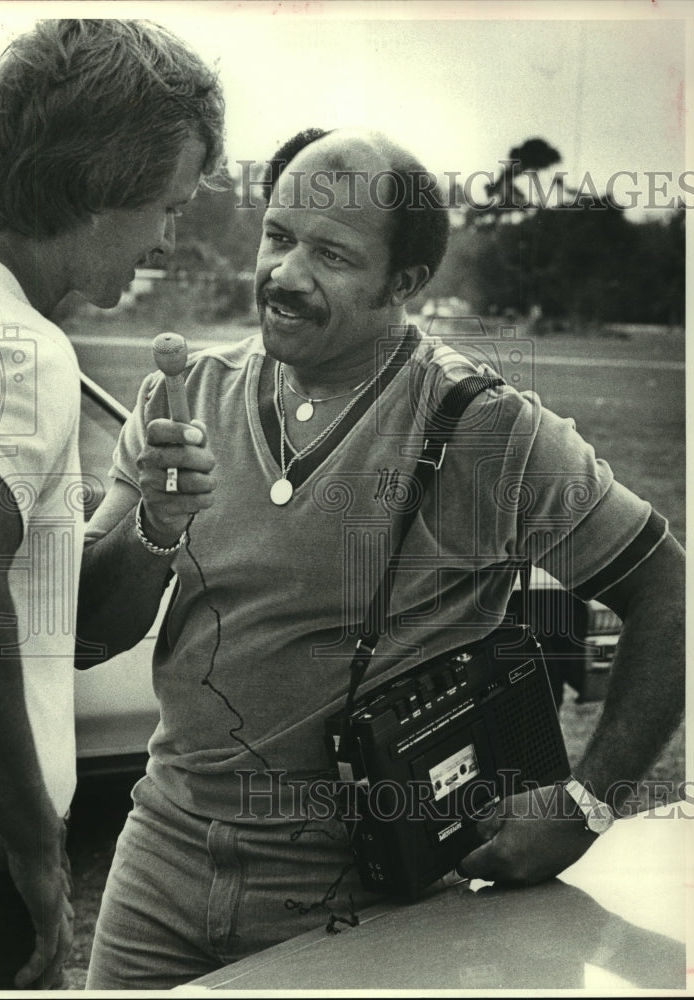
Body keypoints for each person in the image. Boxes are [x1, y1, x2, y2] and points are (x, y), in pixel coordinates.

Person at [77, 127, 685, 990]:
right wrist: (156, 528)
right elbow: (89, 637)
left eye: (329, 254)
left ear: (402, 284)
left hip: (375, 908)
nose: (284, 274)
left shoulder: (484, 427)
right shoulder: (187, 398)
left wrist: (585, 806)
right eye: (278, 236)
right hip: (158, 870)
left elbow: (672, 593)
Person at [0, 18, 224, 990]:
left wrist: (154, 515)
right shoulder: (13, 344)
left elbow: (53, 624)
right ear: (101, 183)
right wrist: (36, 841)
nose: (168, 237)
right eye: (169, 204)